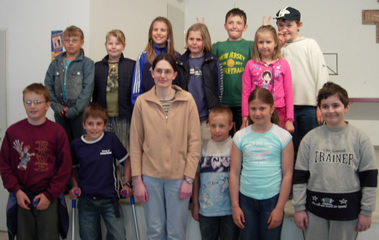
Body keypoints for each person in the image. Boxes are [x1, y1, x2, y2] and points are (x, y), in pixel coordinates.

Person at [292, 82, 378, 240]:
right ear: (319, 109)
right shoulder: (310, 139)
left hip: (347, 213)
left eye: (336, 105)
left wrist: (366, 212)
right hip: (314, 212)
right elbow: (300, 177)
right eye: (325, 106)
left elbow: (370, 180)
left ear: (347, 107)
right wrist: (299, 208)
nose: (330, 111)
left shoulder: (361, 139)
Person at [130, 53, 201, 240]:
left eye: (167, 71)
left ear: (174, 75)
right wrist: (137, 181)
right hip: (150, 178)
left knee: (176, 233)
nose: (163, 75)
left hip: (179, 179)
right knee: (154, 232)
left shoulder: (187, 101)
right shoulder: (142, 102)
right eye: (159, 71)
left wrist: (189, 179)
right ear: (152, 73)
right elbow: (135, 145)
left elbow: (194, 143)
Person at [0, 83, 72, 240]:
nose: (32, 106)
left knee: (49, 236)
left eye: (37, 102)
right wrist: (16, 191)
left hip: (48, 197)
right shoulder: (13, 131)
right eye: (28, 102)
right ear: (24, 104)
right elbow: (5, 165)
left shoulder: (57, 132)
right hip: (22, 196)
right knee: (24, 236)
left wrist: (49, 194)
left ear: (47, 105)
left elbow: (64, 168)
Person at [229, 88, 293, 240]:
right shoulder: (240, 137)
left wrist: (279, 208)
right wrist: (235, 206)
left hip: (272, 200)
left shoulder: (283, 137)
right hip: (246, 200)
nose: (257, 113)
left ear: (272, 109)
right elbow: (234, 172)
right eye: (253, 108)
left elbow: (288, 174)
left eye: (262, 108)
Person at [69, 103, 132, 240]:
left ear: (104, 125)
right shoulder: (76, 145)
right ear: (84, 125)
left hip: (110, 199)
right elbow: (73, 167)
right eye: (90, 124)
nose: (94, 128)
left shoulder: (110, 139)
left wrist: (127, 184)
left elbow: (127, 161)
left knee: (119, 236)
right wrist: (74, 185)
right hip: (86, 200)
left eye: (98, 124)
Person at [274, 6, 328, 159]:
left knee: (311, 147)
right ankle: (293, 181)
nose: (285, 29)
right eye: (281, 25)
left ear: (299, 25)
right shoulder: (277, 48)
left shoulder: (309, 44)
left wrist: (320, 105)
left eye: (289, 25)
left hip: (309, 107)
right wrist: (279, 46)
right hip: (285, 108)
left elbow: (321, 74)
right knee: (289, 149)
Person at [191, 105, 239, 240]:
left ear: (231, 126)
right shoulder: (202, 147)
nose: (217, 130)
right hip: (206, 211)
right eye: (213, 126)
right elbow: (196, 177)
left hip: (230, 211)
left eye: (222, 126)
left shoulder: (236, 146)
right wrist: (195, 204)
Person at [44, 25, 95, 142]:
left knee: (80, 143)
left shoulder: (87, 64)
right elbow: (48, 88)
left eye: (75, 40)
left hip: (80, 113)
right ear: (63, 42)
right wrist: (57, 107)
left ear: (81, 43)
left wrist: (75, 110)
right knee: (62, 143)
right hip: (60, 112)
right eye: (67, 40)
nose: (70, 43)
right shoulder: (55, 63)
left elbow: (88, 90)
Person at [241, 25, 294, 132]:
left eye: (268, 42)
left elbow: (289, 93)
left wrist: (289, 119)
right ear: (256, 44)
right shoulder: (250, 65)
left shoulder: (284, 64)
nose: (264, 46)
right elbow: (245, 93)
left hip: (279, 110)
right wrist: (245, 118)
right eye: (261, 42)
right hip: (256, 111)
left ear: (275, 43)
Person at [176, 23, 223, 141]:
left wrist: (214, 111)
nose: (194, 42)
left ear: (205, 40)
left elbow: (220, 90)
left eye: (198, 39)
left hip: (206, 118)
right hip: (185, 117)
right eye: (191, 39)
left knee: (206, 151)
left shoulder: (214, 61)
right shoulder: (180, 62)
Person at [212, 8, 253, 134]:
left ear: (245, 27)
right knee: (224, 136)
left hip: (244, 103)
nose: (234, 26)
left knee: (244, 136)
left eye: (239, 23)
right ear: (225, 26)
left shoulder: (250, 45)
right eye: (231, 22)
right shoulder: (217, 47)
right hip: (223, 101)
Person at [92, 29, 136, 150]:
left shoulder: (132, 65)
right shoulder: (97, 66)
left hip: (123, 117)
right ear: (105, 45)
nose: (114, 47)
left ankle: (122, 170)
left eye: (117, 43)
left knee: (123, 148)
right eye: (110, 43)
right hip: (102, 116)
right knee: (103, 149)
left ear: (124, 46)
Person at [131, 16, 180, 106]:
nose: (158, 33)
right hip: (148, 107)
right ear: (150, 33)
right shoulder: (143, 57)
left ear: (169, 34)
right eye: (155, 30)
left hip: (171, 107)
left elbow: (180, 86)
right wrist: (140, 106)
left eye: (162, 30)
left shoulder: (177, 57)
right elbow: (136, 89)